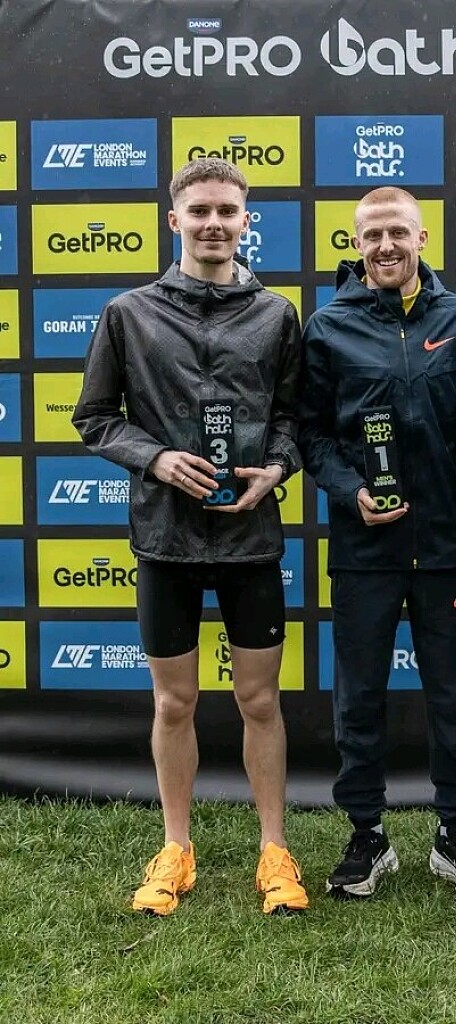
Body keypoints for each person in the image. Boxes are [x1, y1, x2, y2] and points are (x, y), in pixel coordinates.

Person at [72, 157, 308, 917]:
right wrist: (156, 458)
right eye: (199, 211)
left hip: (250, 539)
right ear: (174, 220)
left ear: (245, 221)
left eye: (226, 212)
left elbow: (294, 416)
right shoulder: (128, 313)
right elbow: (94, 417)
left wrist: (277, 468)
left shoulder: (276, 315)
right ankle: (176, 848)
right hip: (165, 537)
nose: (213, 224)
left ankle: (275, 849)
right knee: (173, 703)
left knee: (260, 699)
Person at [298, 187, 456, 900]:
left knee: (453, 696)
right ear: (356, 245)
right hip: (364, 549)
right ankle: (367, 834)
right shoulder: (328, 325)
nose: (385, 246)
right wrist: (349, 490)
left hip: (445, 544)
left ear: (422, 238)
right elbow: (310, 433)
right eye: (371, 236)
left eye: (397, 233)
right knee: (359, 698)